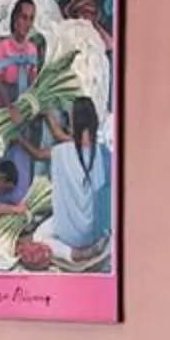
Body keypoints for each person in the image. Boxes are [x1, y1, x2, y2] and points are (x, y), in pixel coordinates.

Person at [38, 92, 112, 267]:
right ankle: (97, 244)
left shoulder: (64, 152)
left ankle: (73, 254)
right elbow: (62, 136)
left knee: (39, 236)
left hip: (70, 233)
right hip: (96, 230)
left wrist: (19, 141)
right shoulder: (103, 152)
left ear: (73, 122)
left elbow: (39, 154)